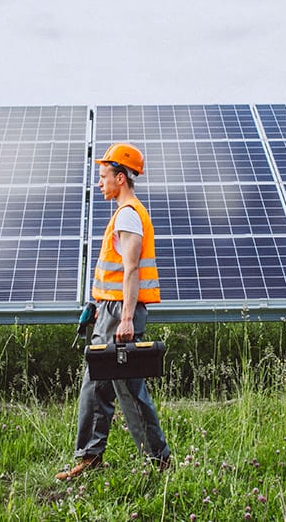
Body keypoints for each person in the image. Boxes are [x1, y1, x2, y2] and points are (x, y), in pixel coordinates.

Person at [55, 143, 170, 480]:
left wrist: (126, 318)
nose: (100, 183)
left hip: (121, 310)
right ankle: (90, 457)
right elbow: (116, 271)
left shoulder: (129, 214)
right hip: (110, 308)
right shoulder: (124, 212)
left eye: (104, 176)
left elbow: (132, 270)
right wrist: (96, 305)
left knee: (126, 387)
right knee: (97, 383)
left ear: (121, 178)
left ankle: (158, 459)